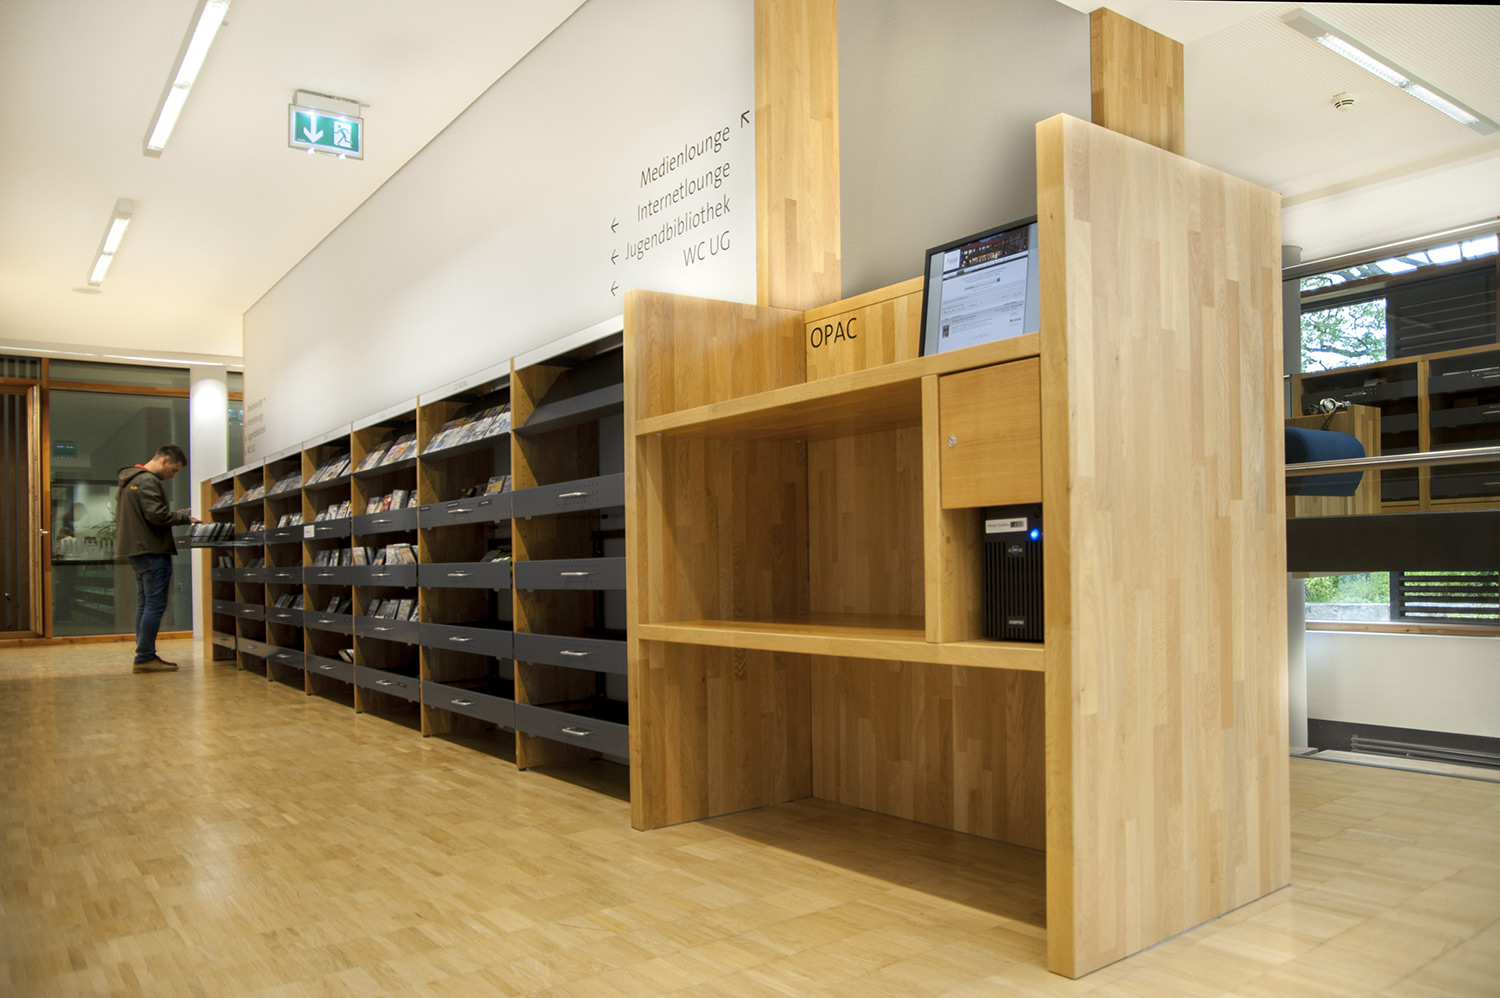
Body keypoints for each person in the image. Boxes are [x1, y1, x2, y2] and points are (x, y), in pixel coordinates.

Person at [115, 444, 199, 673]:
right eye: (174, 470)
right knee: (154, 604)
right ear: (164, 461)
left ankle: (143, 654)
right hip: (152, 550)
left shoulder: (129, 480)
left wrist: (174, 515)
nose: (173, 475)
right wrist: (183, 518)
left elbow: (146, 514)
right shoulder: (147, 480)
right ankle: (144, 657)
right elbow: (155, 514)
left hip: (137, 551)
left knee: (145, 604)